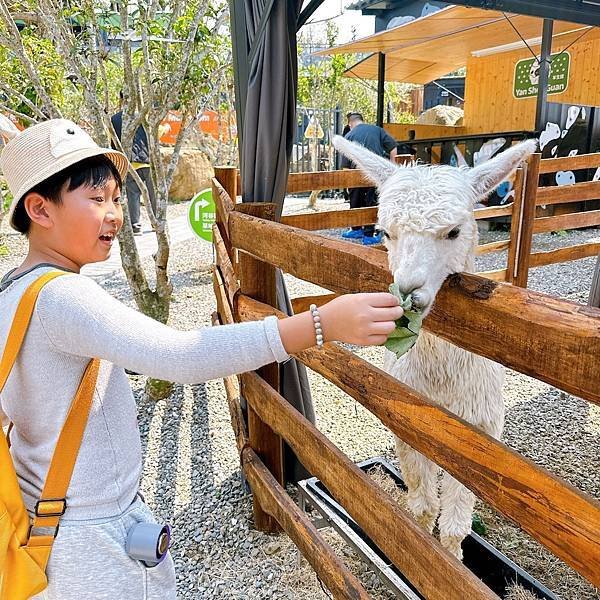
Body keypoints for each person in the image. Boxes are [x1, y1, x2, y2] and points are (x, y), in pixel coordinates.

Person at [0, 119, 404, 599]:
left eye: (114, 198)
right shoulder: (64, 297)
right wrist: (319, 325)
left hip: (43, 520)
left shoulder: (12, 287)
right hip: (93, 541)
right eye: (96, 200)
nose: (114, 214)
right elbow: (179, 356)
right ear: (39, 209)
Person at [341, 112, 398, 245]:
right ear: (362, 120)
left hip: (355, 174)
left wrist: (345, 182)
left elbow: (345, 163)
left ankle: (356, 229)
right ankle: (369, 233)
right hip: (374, 173)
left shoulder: (349, 135)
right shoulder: (377, 130)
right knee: (371, 201)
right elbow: (393, 146)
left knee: (355, 201)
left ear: (350, 124)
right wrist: (392, 165)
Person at [111, 93, 156, 236]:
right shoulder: (143, 116)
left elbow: (113, 143)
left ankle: (136, 226)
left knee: (133, 194)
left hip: (130, 162)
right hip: (147, 160)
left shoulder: (115, 119)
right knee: (153, 193)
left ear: (121, 99)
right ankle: (157, 222)